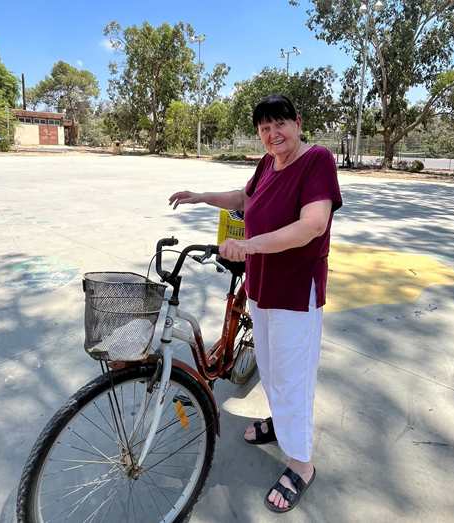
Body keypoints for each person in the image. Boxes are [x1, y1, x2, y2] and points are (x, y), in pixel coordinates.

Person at [169, 93, 342, 513]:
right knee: (268, 365)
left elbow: (312, 226)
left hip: (295, 292)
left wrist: (248, 245)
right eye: (264, 128)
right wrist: (201, 195)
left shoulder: (317, 160)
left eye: (279, 124)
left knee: (292, 374)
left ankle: (301, 465)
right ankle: (279, 426)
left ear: (298, 123)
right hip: (262, 287)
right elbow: (245, 199)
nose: (272, 134)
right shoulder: (267, 164)